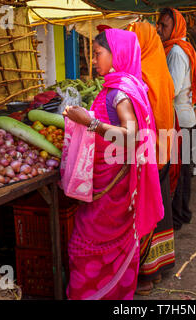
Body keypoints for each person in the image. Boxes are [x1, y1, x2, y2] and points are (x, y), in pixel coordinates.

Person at [63, 29, 164, 300]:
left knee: (85, 248)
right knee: (91, 248)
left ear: (116, 54)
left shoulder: (120, 93)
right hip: (108, 185)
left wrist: (89, 123)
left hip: (113, 191)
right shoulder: (116, 87)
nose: (93, 59)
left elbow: (132, 138)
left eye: (97, 53)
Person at [128, 22, 177, 295]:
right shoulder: (159, 65)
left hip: (149, 152)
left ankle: (146, 276)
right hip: (163, 148)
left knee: (146, 210)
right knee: (161, 209)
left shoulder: (142, 72)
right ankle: (160, 268)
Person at [156, 7, 196, 231]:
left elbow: (171, 88)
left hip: (179, 120)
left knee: (180, 172)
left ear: (175, 27)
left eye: (164, 25)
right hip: (184, 119)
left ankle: (178, 215)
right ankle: (182, 213)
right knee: (183, 171)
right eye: (159, 24)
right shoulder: (176, 48)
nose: (159, 29)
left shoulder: (175, 51)